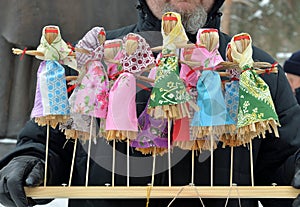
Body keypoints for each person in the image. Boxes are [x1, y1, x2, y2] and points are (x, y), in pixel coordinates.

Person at [1, 0, 300, 207]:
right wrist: (28, 161)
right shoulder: (94, 60)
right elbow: (47, 141)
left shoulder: (254, 71)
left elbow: (284, 159)